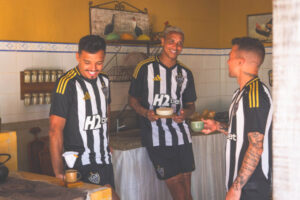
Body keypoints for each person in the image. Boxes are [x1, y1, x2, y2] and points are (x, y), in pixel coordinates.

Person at [128, 26, 197, 200]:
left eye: (180, 43)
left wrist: (185, 113)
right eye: (172, 41)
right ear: (163, 41)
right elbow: (132, 100)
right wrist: (146, 113)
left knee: (186, 185)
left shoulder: (185, 73)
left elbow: (191, 106)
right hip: (156, 137)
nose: (176, 46)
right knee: (176, 186)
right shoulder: (144, 68)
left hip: (182, 136)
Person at [49, 35, 119, 199]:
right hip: (80, 163)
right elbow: (54, 130)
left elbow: (105, 112)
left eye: (99, 63)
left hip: (104, 160)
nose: (93, 68)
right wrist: (58, 172)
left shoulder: (105, 81)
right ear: (78, 56)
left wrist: (105, 140)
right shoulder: (67, 83)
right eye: (87, 62)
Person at [202, 37, 272, 200]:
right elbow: (241, 134)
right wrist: (218, 126)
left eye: (230, 57)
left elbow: (256, 146)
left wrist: (237, 186)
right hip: (242, 184)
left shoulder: (255, 95)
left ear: (240, 62)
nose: (227, 61)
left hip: (251, 186)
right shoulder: (240, 93)